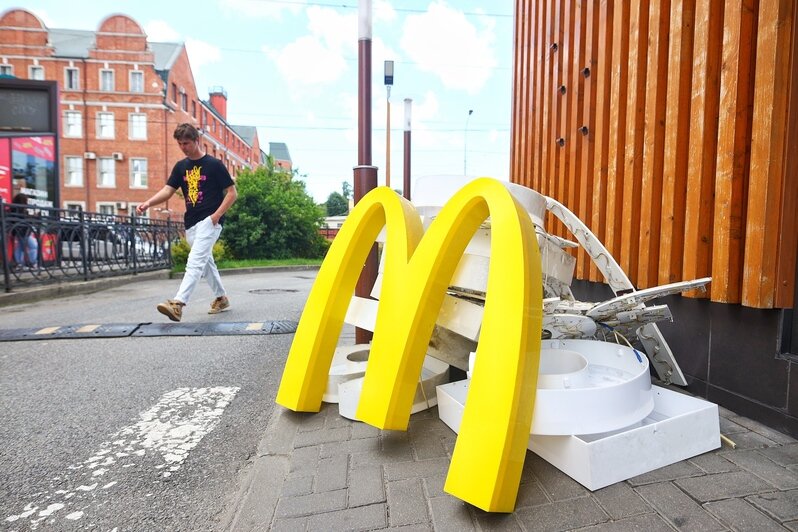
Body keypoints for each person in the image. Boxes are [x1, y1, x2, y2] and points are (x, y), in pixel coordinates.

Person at [136, 123, 237, 322]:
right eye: (180, 144)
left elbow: (232, 193)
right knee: (206, 263)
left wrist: (216, 216)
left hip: (210, 221)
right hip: (191, 223)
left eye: (187, 143)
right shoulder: (181, 167)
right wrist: (148, 202)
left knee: (195, 261)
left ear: (196, 141)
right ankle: (221, 298)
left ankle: (178, 304)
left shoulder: (214, 165)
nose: (184, 147)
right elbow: (168, 190)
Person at [10, 193, 38, 268]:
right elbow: (23, 220)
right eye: (26, 200)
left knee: (21, 247)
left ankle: (19, 263)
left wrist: (30, 217)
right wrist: (32, 217)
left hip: (19, 231)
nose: (27, 202)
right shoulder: (19, 209)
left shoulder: (15, 208)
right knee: (33, 246)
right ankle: (31, 263)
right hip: (23, 231)